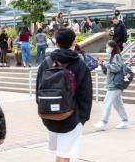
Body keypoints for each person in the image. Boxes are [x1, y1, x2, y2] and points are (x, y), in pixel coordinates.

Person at [36, 28, 93, 162]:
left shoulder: (46, 63)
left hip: (49, 115)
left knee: (61, 153)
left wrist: (44, 110)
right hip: (72, 116)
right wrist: (82, 117)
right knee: (65, 156)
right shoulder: (80, 65)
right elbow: (86, 95)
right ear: (74, 42)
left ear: (56, 42)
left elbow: (38, 90)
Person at [93, 40, 129, 131]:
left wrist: (105, 63)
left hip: (114, 85)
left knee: (107, 103)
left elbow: (116, 68)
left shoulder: (116, 56)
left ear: (112, 47)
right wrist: (102, 64)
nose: (106, 49)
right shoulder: (113, 57)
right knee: (118, 104)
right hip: (114, 84)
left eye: (107, 47)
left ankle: (104, 122)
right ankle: (125, 121)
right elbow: (108, 71)